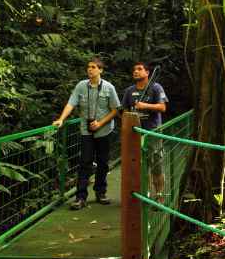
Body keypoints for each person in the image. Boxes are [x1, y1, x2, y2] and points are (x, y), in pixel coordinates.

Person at [53, 57, 120, 210]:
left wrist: (100, 123)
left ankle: (100, 192)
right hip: (86, 131)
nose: (90, 69)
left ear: (100, 70)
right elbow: (71, 103)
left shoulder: (109, 87)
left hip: (103, 130)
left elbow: (116, 109)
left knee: (103, 163)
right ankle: (80, 197)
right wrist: (61, 119)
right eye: (89, 67)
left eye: (94, 67)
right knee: (85, 163)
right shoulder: (81, 86)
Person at [121, 61, 168, 199]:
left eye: (140, 69)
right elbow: (124, 109)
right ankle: (144, 194)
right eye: (134, 69)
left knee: (156, 166)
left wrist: (144, 105)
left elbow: (162, 107)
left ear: (147, 73)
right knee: (140, 166)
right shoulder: (129, 91)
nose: (136, 71)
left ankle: (159, 195)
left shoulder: (156, 88)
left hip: (152, 132)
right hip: (135, 134)